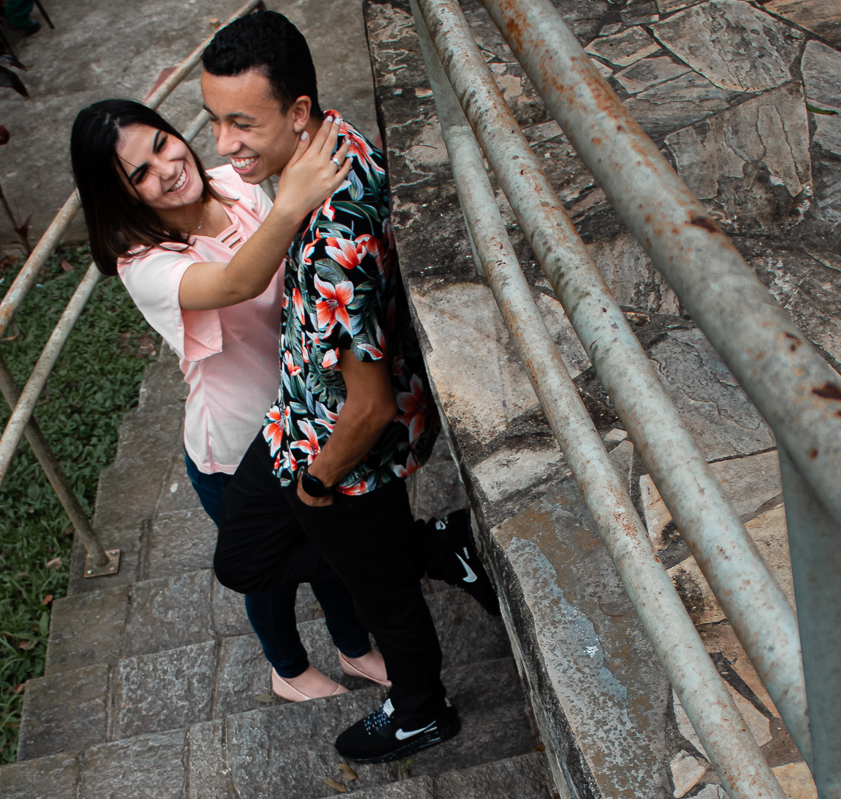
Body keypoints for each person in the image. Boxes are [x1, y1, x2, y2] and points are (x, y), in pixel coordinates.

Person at [200, 10, 498, 764]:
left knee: (383, 597)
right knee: (243, 556)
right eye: (214, 120)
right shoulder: (327, 147)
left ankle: (424, 708)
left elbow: (365, 406)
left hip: (340, 449)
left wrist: (317, 484)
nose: (223, 145)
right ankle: (437, 545)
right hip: (297, 413)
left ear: (297, 112)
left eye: (242, 123)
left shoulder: (332, 232)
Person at [69, 98, 393, 703]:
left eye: (162, 144)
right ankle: (288, 670)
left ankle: (354, 647)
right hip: (238, 445)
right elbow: (240, 280)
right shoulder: (144, 264)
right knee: (269, 571)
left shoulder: (228, 185)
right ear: (123, 196)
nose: (165, 169)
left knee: (331, 544)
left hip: (307, 417)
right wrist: (293, 194)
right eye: (139, 174)